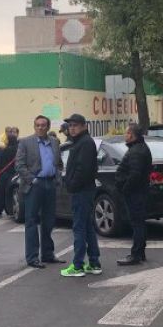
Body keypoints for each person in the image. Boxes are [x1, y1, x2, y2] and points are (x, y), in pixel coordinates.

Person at [15, 115, 64, 269]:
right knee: (31, 221)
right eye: (37, 125)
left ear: (48, 127)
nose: (40, 128)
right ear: (34, 126)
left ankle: (48, 254)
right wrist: (32, 179)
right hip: (34, 185)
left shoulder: (55, 142)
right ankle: (32, 257)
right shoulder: (25, 142)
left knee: (49, 221)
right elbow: (19, 165)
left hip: (50, 183)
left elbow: (59, 163)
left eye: (43, 125)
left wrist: (57, 176)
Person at [60, 114, 101, 277]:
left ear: (84, 126)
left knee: (79, 228)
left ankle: (77, 265)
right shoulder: (82, 142)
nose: (72, 128)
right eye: (70, 125)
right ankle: (94, 262)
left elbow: (82, 170)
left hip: (82, 191)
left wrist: (71, 184)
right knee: (88, 227)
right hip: (84, 190)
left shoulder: (85, 143)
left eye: (75, 125)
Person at [115, 124, 152, 266]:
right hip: (138, 192)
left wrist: (125, 189)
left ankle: (136, 254)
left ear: (131, 134)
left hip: (135, 193)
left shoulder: (136, 151)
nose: (125, 135)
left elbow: (135, 174)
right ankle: (140, 252)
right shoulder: (139, 148)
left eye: (126, 133)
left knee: (137, 224)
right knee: (139, 223)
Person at [0, 133, 18, 219]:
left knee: (0, 193)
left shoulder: (7, 150)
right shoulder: (18, 149)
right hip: (15, 174)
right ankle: (10, 211)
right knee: (10, 193)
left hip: (5, 173)